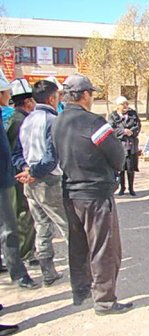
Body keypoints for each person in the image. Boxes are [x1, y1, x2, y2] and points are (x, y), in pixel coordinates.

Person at [52, 74, 132, 315]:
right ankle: (105, 301)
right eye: (92, 94)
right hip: (95, 194)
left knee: (78, 245)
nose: (92, 98)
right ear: (84, 95)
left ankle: (81, 291)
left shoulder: (58, 121)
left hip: (70, 192)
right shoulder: (93, 123)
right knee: (104, 248)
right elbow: (118, 158)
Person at [11, 80, 68, 287]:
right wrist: (33, 172)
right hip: (49, 181)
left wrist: (26, 170)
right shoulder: (53, 120)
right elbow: (51, 157)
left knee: (42, 227)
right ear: (52, 98)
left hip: (30, 183)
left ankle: (48, 272)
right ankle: (82, 274)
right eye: (58, 96)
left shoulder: (27, 120)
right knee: (68, 227)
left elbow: (16, 153)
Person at [0, 70, 38, 289]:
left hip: (9, 176)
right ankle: (19, 270)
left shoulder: (9, 117)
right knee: (11, 225)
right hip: (10, 179)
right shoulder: (18, 121)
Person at [7, 78, 37, 266]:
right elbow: (16, 151)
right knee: (24, 213)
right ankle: (25, 253)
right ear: (27, 102)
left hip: (14, 174)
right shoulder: (21, 121)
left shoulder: (15, 118)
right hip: (19, 175)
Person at [108, 96, 141, 196]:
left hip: (131, 145)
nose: (126, 106)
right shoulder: (113, 116)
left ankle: (131, 188)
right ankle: (122, 188)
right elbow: (111, 129)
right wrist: (123, 131)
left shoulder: (133, 114)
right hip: (119, 145)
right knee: (121, 168)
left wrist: (132, 132)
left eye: (127, 104)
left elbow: (138, 125)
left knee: (130, 168)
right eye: (123, 104)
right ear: (118, 106)